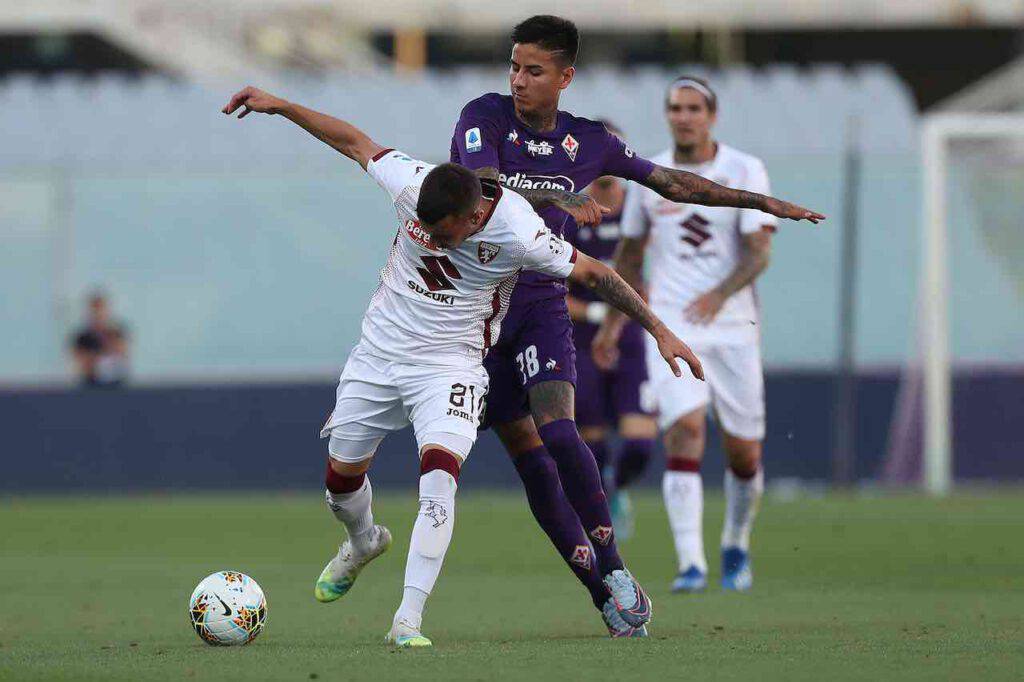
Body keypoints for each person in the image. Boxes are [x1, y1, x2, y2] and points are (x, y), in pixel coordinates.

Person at [222, 85, 704, 646]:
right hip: (379, 354)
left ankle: (408, 620)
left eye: (443, 231)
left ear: (474, 215)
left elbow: (596, 274)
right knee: (339, 481)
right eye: (424, 227)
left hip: (453, 365)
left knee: (442, 479)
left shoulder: (520, 230)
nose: (433, 238)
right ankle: (362, 541)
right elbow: (352, 141)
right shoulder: (411, 183)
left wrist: (663, 332)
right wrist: (281, 107)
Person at [449, 15, 824, 632]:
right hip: (479, 307)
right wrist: (563, 198)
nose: (518, 80)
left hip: (542, 299)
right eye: (514, 66)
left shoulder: (589, 139)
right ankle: (600, 592)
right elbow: (484, 193)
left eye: (533, 70)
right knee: (528, 460)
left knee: (561, 432)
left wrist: (757, 200)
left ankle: (617, 571)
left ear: (565, 77)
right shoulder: (483, 116)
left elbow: (670, 181)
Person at [602, 76, 778, 593]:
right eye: (675, 107)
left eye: (693, 108)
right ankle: (691, 564)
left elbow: (759, 251)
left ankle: (736, 544)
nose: (683, 116)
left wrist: (721, 295)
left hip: (734, 328)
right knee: (686, 430)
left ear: (712, 115)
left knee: (745, 454)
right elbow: (630, 258)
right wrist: (615, 322)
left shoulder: (745, 170)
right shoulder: (651, 177)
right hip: (673, 325)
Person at [563, 120, 657, 540]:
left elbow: (649, 277)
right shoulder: (568, 212)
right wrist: (596, 317)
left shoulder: (640, 209)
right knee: (593, 440)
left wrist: (619, 321)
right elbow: (551, 286)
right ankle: (604, 504)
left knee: (640, 443)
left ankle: (618, 489)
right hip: (580, 340)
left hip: (630, 337)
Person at [69, 291, 130, 387]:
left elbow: (123, 357)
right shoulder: (82, 338)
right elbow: (81, 364)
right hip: (90, 386)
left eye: (101, 310)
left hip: (116, 386)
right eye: (95, 310)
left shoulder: (117, 334)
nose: (98, 314)